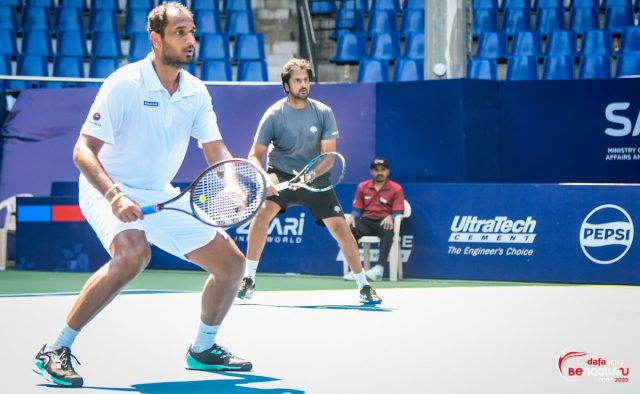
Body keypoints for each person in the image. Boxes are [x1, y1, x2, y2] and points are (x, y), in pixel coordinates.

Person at [33, 3, 251, 388]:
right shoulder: (124, 83)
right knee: (134, 254)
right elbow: (82, 151)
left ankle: (203, 349)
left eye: (192, 32)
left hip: (159, 194)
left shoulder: (195, 91)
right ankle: (55, 348)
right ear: (156, 38)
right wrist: (115, 196)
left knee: (232, 266)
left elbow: (215, 150)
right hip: (107, 186)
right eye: (180, 32)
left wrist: (232, 184)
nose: (190, 40)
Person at [236, 57, 382, 304]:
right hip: (280, 173)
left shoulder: (323, 112)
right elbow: (254, 154)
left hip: (314, 176)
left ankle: (363, 286)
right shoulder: (273, 115)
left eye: (306, 79)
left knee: (340, 228)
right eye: (297, 80)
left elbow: (328, 158)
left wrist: (308, 175)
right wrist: (264, 178)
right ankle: (249, 279)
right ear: (286, 86)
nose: (303, 84)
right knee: (262, 213)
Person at [345, 157, 405, 281]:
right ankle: (356, 270)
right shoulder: (362, 186)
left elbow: (398, 211)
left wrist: (391, 217)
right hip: (366, 221)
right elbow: (357, 210)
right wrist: (352, 217)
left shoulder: (396, 188)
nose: (379, 173)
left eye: (383, 169)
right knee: (349, 229)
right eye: (376, 170)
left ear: (387, 171)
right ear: (371, 171)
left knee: (388, 228)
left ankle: (379, 269)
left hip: (383, 222)